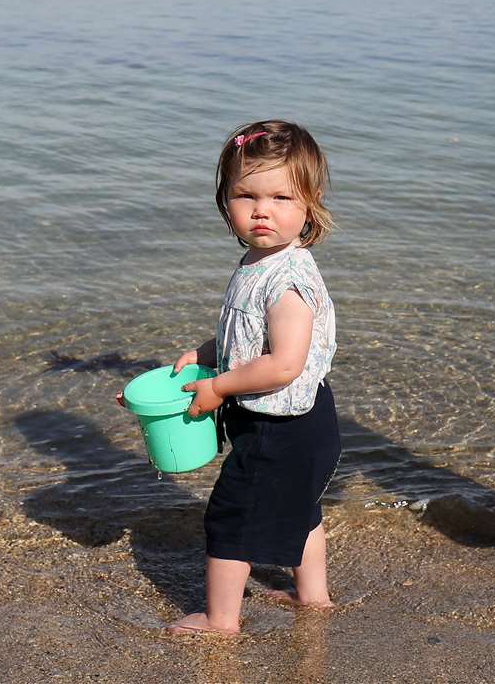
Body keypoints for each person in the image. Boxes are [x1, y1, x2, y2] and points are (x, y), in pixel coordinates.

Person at [121, 120, 342, 636]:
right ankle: (315, 599)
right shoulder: (260, 262)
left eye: (281, 197)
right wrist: (207, 352)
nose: (262, 210)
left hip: (280, 429)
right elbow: (250, 336)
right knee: (298, 508)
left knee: (230, 518)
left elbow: (285, 363)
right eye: (247, 195)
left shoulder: (287, 283)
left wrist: (218, 387)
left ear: (310, 204)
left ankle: (221, 620)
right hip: (303, 422)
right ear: (226, 203)